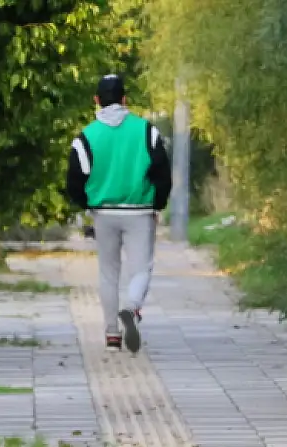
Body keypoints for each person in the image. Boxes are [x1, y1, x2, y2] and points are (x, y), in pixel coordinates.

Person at [67, 74, 171, 352]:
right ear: (125, 100)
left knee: (108, 273)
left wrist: (88, 205)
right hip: (140, 212)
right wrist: (157, 204)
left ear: (96, 100)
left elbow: (74, 180)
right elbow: (162, 172)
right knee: (141, 269)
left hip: (103, 213)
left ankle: (112, 335)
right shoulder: (146, 131)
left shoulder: (86, 137)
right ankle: (132, 307)